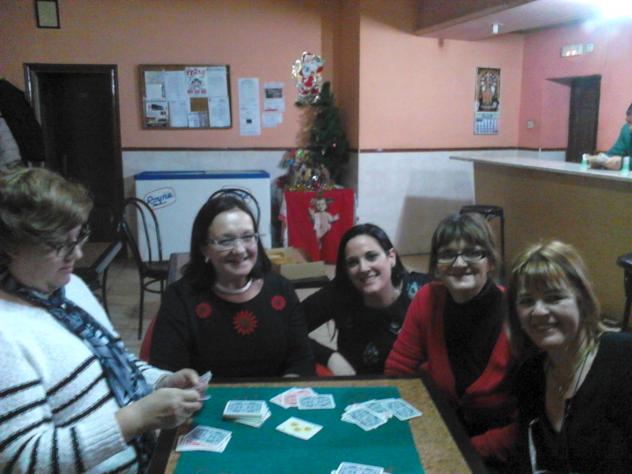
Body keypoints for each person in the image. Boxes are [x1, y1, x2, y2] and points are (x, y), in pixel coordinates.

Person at [0, 168, 203, 473]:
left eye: (78, 238)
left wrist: (160, 381)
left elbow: (114, 361)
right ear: (11, 246)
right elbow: (23, 460)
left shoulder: (69, 288)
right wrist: (135, 419)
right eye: (61, 245)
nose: (78, 254)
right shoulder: (6, 333)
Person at [385, 212, 517, 467]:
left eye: (472, 253)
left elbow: (530, 420)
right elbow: (398, 371)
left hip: (498, 452)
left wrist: (465, 450)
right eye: (447, 254)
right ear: (436, 265)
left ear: (490, 261)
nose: (459, 263)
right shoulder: (427, 298)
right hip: (439, 434)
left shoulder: (516, 312)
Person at [149, 193, 315, 377]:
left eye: (248, 237)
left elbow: (301, 360)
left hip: (277, 394)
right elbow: (166, 372)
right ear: (204, 248)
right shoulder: (180, 298)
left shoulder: (281, 290)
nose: (239, 250)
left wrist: (290, 389)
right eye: (226, 241)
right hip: (204, 394)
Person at [507, 240, 632, 472]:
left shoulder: (624, 359)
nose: (539, 311)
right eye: (527, 301)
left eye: (554, 297)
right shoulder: (529, 374)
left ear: (582, 300)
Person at [301, 223, 431, 375]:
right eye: (353, 262)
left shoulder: (424, 291)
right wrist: (330, 357)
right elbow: (287, 327)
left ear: (391, 257)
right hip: (359, 385)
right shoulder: (340, 292)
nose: (363, 268)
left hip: (416, 385)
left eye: (371, 256)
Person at [584, 102, 632, 169]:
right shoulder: (626, 130)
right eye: (629, 122)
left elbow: (620, 162)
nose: (630, 128)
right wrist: (599, 160)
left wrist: (623, 162)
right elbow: (613, 154)